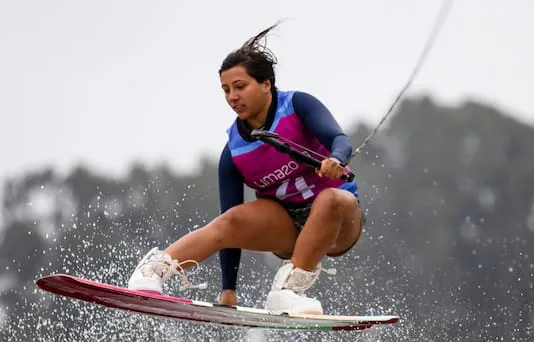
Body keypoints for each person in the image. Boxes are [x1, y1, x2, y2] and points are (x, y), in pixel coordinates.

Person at [127, 23, 363, 314]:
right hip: (285, 229)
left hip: (338, 223)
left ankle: (288, 291)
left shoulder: (297, 105)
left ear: (266, 84)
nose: (232, 97)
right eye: (226, 90)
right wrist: (229, 290)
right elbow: (229, 228)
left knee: (333, 199)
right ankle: (153, 271)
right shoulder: (233, 152)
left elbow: (339, 139)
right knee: (230, 220)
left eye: (240, 87)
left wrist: (336, 159)